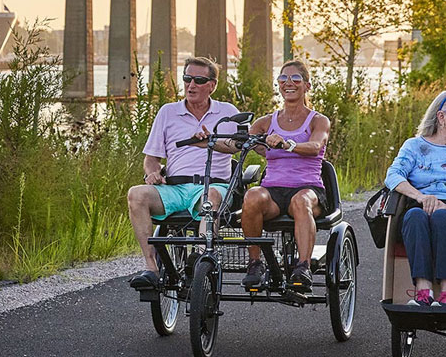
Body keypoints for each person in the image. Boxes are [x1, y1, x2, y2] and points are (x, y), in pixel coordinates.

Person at [128, 57, 240, 288]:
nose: (191, 85)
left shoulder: (228, 112)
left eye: (199, 80)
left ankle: (197, 259)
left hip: (213, 186)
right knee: (136, 194)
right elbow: (151, 158)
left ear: (212, 85)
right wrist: (152, 173)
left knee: (210, 198)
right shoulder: (168, 112)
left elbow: (240, 146)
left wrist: (211, 142)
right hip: (176, 189)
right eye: (187, 78)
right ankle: (151, 268)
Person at [384, 90, 446, 307]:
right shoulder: (414, 145)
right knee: (413, 216)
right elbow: (392, 176)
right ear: (441, 117)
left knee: (442, 218)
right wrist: (421, 197)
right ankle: (423, 292)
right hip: (423, 206)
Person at [240, 60, 331, 292]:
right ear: (278, 85)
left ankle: (303, 266)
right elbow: (243, 141)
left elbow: (315, 145)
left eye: (295, 79)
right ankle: (255, 264)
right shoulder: (266, 122)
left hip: (307, 189)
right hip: (273, 190)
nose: (288, 83)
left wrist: (287, 145)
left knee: (301, 202)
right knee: (251, 196)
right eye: (283, 79)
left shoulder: (318, 120)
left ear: (307, 86)